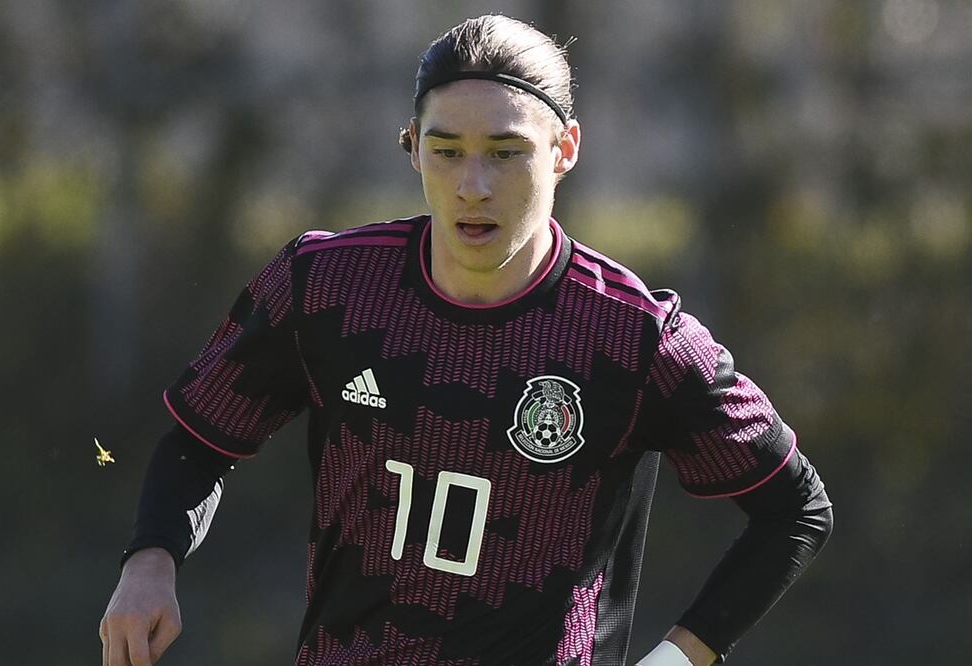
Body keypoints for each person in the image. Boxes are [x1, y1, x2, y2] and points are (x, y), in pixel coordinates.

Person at [100, 14, 833, 666]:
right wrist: (149, 561)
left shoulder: (634, 336)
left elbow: (794, 510)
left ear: (564, 149)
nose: (472, 184)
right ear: (412, 147)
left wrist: (679, 658)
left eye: (505, 152)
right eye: (446, 151)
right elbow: (200, 441)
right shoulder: (325, 287)